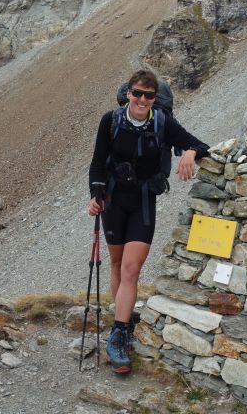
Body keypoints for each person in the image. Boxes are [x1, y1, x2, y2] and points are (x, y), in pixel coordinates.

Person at [88, 69, 209, 374]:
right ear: (128, 93)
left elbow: (201, 144)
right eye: (137, 93)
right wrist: (95, 195)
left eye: (149, 95)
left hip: (143, 202)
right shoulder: (110, 120)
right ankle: (125, 322)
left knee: (131, 269)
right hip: (113, 202)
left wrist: (189, 152)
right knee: (117, 265)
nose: (142, 100)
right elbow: (97, 162)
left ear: (155, 99)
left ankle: (116, 339)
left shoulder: (162, 122)